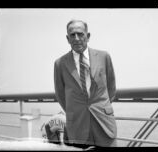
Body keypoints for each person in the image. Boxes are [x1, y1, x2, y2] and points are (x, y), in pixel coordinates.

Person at [54, 19, 118, 148]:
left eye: (80, 34)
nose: (76, 38)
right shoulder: (60, 63)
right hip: (78, 126)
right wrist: (77, 109)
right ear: (67, 38)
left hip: (103, 123)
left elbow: (111, 88)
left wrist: (99, 106)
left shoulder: (104, 56)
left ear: (87, 36)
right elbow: (60, 95)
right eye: (72, 35)